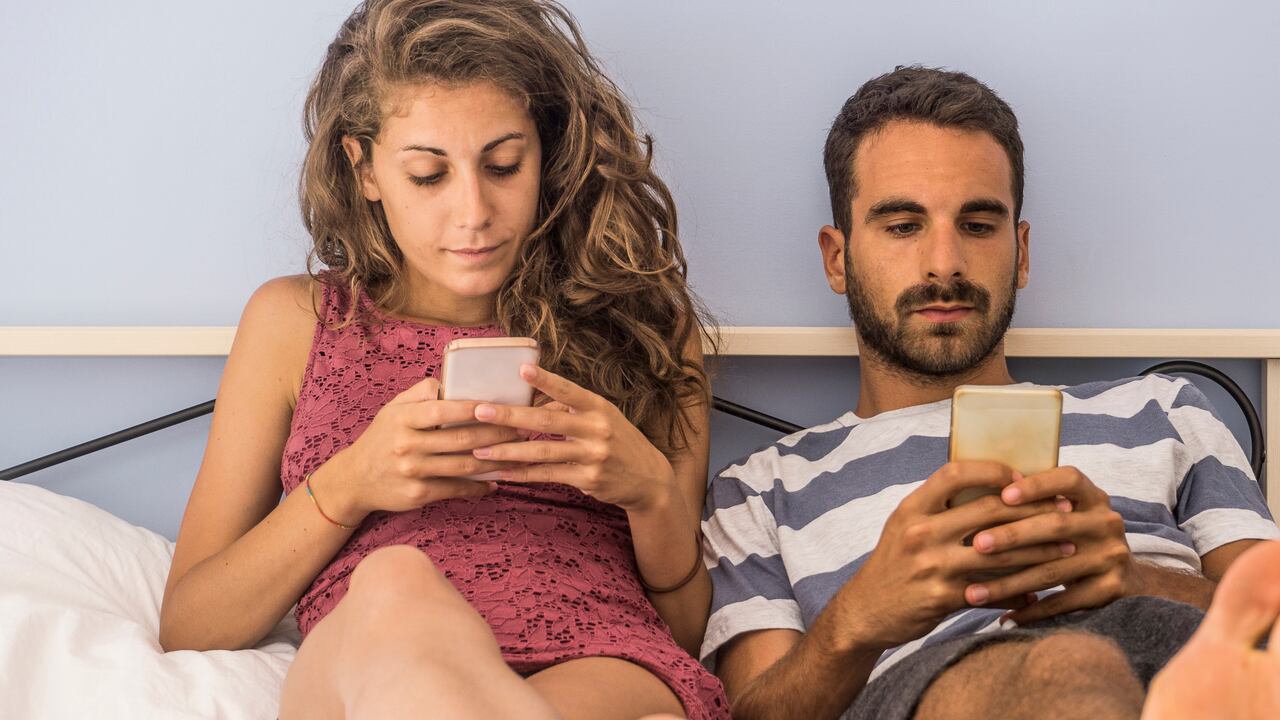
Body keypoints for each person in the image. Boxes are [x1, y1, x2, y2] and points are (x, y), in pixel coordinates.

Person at [157, 1, 729, 718]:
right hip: (381, 655)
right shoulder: (295, 322)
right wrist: (352, 482)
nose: (473, 212)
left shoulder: (646, 323)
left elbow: (682, 630)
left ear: (546, 152)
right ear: (362, 168)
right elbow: (191, 625)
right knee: (397, 581)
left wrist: (648, 492)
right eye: (429, 175)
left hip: (601, 665)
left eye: (503, 165)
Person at [700, 66, 1280, 720]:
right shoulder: (760, 490)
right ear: (838, 258)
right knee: (1068, 667)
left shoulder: (1164, 410)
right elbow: (754, 715)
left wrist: (1134, 576)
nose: (943, 263)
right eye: (902, 225)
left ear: (1020, 250)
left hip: (1192, 664)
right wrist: (859, 617)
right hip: (943, 685)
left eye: (977, 225)